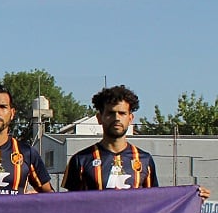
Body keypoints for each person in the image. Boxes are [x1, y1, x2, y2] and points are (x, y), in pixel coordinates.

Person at [63, 85, 210, 199]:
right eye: (110, 113)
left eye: (122, 113)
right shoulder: (81, 159)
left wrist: (192, 200)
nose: (117, 118)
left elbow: (156, 203)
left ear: (130, 118)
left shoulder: (145, 160)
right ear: (99, 118)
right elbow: (69, 206)